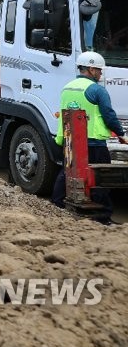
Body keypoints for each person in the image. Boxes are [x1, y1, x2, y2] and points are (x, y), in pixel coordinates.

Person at [51, 51, 128, 224]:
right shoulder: (97, 90)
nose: (100, 74)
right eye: (99, 70)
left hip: (70, 141)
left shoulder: (67, 87)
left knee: (68, 172)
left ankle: (56, 205)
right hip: (94, 142)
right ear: (92, 69)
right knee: (100, 178)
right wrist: (121, 133)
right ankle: (103, 217)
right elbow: (108, 115)